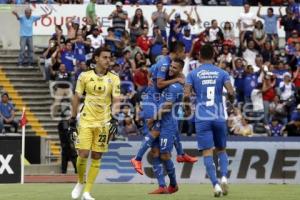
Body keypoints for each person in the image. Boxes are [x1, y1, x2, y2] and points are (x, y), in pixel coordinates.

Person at [130, 41, 197, 176]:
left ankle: (179, 155)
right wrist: (176, 80)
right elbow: (160, 84)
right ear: (178, 52)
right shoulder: (165, 64)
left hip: (157, 100)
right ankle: (137, 158)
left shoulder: (168, 65)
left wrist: (150, 79)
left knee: (164, 136)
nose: (184, 54)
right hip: (151, 101)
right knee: (157, 130)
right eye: (183, 52)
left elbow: (150, 71)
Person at [184, 44, 235, 197]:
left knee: (207, 153)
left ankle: (216, 186)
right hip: (219, 116)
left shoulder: (193, 74)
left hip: (202, 118)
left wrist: (187, 109)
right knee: (221, 150)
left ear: (199, 56)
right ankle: (224, 177)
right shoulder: (222, 72)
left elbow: (186, 95)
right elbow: (231, 92)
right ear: (213, 56)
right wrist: (230, 103)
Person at [70, 47, 120, 200]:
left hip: (104, 122)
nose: (107, 61)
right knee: (83, 153)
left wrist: (114, 118)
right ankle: (80, 181)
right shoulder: (84, 76)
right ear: (96, 58)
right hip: (86, 120)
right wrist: (72, 120)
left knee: (97, 156)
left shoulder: (114, 78)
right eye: (104, 57)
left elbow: (116, 99)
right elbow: (76, 97)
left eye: (109, 58)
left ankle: (87, 192)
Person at [148, 58, 185, 194]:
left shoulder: (175, 86)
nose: (171, 69)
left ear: (180, 70)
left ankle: (173, 184)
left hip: (168, 123)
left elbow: (168, 106)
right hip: (161, 121)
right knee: (155, 152)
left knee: (164, 155)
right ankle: (162, 186)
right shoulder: (169, 82)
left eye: (175, 68)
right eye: (171, 67)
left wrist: (152, 119)